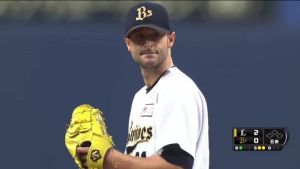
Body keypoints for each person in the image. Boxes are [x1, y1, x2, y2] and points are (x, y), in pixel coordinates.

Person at [77, 2, 209, 169]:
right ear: (128, 43)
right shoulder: (140, 97)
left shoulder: (177, 89)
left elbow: (176, 165)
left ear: (170, 39)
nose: (148, 43)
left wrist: (110, 158)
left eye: (155, 35)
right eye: (140, 37)